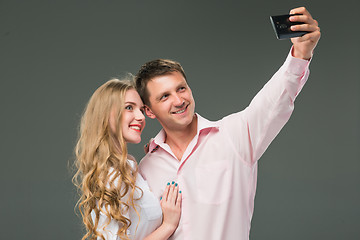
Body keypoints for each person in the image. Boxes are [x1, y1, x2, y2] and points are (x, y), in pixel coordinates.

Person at [135, 7, 320, 240]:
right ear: (149, 111)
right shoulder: (146, 167)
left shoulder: (235, 135)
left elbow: (275, 99)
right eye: (165, 96)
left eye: (181, 88)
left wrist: (301, 54)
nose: (179, 100)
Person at [73, 77, 182, 240]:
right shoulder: (112, 176)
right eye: (129, 108)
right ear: (106, 114)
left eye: (141, 110)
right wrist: (168, 226)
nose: (140, 117)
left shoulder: (128, 167)